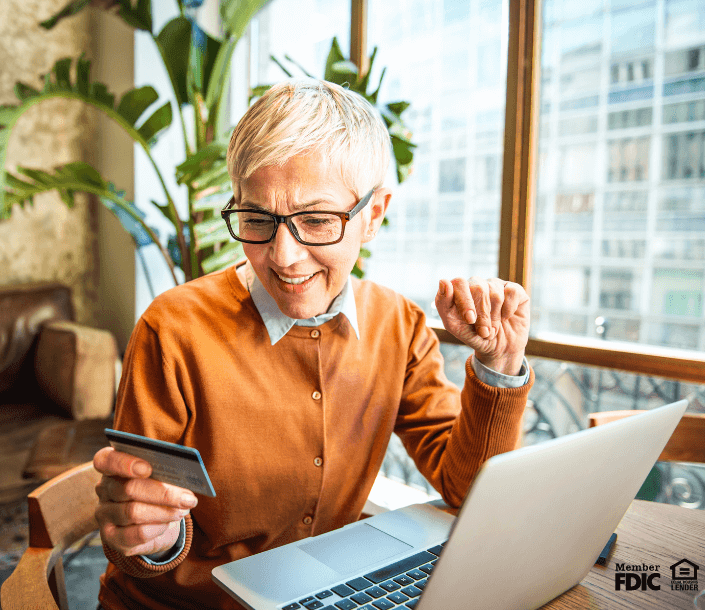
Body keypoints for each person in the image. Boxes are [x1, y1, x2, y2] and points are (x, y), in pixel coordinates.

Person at [94, 79, 534, 610]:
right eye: (257, 219)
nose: (284, 256)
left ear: (372, 215)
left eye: (317, 220)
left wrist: (499, 366)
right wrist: (155, 541)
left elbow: (469, 492)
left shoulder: (400, 325)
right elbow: (143, 540)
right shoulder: (174, 330)